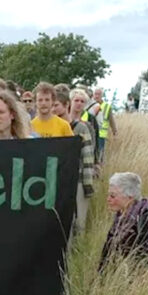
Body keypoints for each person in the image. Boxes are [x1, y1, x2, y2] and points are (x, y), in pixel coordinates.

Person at [98, 172, 148, 272]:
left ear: (130, 197)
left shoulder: (145, 219)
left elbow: (143, 260)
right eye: (109, 195)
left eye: (113, 196)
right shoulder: (122, 214)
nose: (108, 199)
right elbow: (108, 247)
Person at [67, 91, 95, 233]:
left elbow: (90, 153)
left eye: (82, 101)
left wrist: (88, 182)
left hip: (79, 174)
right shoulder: (62, 123)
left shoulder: (87, 125)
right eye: (76, 100)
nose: (78, 104)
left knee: (79, 222)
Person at [89, 87, 118, 162]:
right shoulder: (89, 105)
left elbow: (111, 120)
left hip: (101, 135)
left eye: (99, 94)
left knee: (99, 154)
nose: (97, 96)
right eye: (95, 94)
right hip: (90, 133)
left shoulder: (107, 106)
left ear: (102, 95)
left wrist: (114, 131)